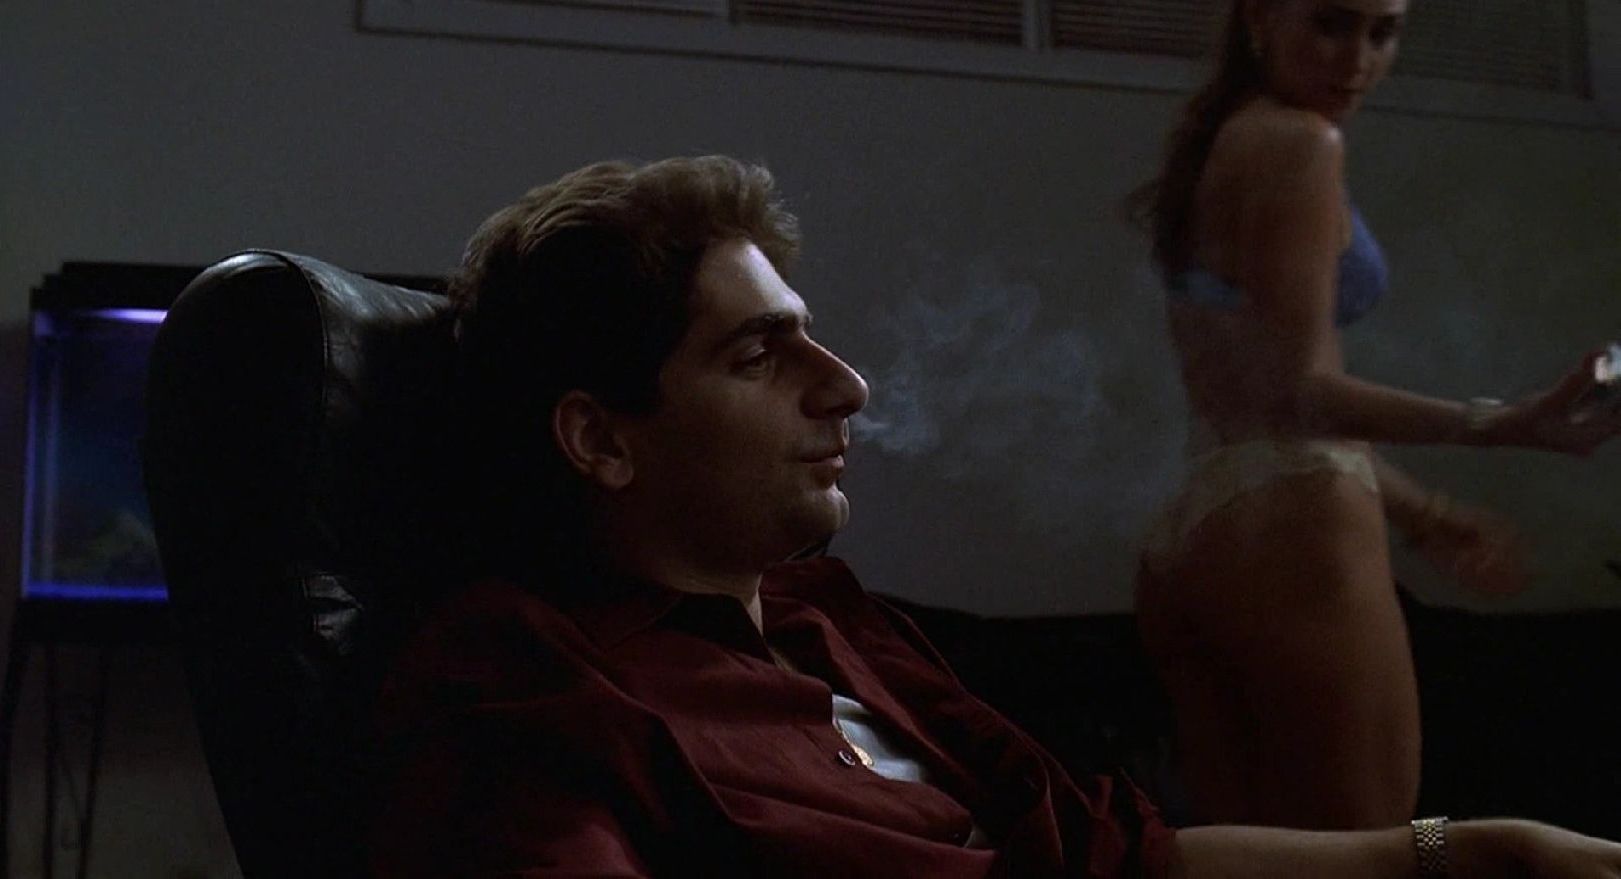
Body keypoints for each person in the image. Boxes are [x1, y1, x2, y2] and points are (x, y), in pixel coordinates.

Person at [366, 155, 1621, 876]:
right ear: (600, 439)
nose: (847, 387)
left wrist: (1471, 852)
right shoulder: (527, 683)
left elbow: (1115, 859)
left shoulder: (829, 621)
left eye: (813, 338)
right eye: (757, 355)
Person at [1127, 0, 1621, 831]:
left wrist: (1421, 511)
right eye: (1330, 23)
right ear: (1260, 17)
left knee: (1244, 861)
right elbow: (1302, 393)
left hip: (1189, 538)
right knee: (1374, 854)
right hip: (1293, 526)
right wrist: (1503, 422)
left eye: (1382, 31)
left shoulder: (1226, 140)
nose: (1356, 58)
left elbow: (1256, 402)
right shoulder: (1301, 143)